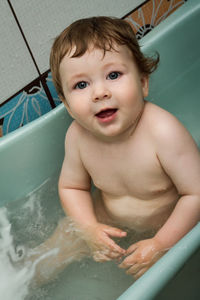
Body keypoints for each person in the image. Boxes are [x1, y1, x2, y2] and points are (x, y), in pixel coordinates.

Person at [30, 16, 200, 283]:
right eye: (81, 85)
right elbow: (72, 187)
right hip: (105, 219)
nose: (99, 92)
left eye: (113, 75)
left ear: (143, 82)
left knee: (174, 275)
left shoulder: (162, 132)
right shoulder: (77, 137)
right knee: (44, 257)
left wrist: (160, 244)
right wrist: (88, 228)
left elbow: (195, 194)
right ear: (67, 104)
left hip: (168, 224)